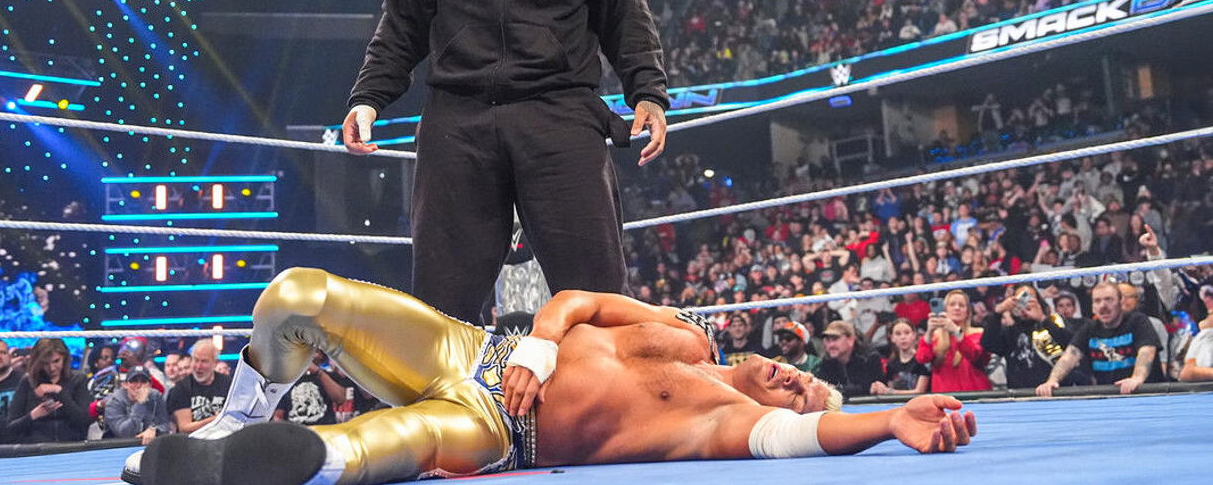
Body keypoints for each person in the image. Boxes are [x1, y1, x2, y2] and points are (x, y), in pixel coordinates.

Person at [129, 268, 977, 485]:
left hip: (500, 431)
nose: (793, 378)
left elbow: (800, 437)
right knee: (297, 297)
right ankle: (237, 422)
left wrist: (887, 420)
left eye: (804, 388)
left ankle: (230, 467)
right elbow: (579, 301)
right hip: (471, 350)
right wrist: (539, 343)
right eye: (800, 373)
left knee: (375, 448)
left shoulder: (718, 422)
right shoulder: (683, 332)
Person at [340, 0, 670, 324]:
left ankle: (601, 382)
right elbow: (400, 25)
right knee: (441, 305)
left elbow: (628, 19)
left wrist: (649, 93)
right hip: (459, 119)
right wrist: (368, 99)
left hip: (560, 114)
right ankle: (452, 383)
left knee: (600, 296)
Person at [1035, 280, 1160, 396]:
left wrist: (1137, 378)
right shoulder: (1090, 328)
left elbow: (1146, 351)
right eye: (1097, 301)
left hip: (1145, 395)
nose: (1103, 306)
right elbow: (1069, 356)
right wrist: (1052, 381)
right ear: (1093, 306)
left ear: (1120, 301)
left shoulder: (1138, 321)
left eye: (1109, 299)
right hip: (1108, 399)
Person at [980, 286, 1074, 389]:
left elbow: (1072, 345)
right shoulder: (1010, 331)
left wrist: (1042, 318)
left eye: (1030, 299)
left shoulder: (1055, 322)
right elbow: (988, 345)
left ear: (1039, 302)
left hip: (1054, 391)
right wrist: (997, 313)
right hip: (1020, 394)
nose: (1025, 304)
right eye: (1020, 300)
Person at [5, 338, 93, 443]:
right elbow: (11, 427)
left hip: (71, 446)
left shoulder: (78, 379)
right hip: (37, 447)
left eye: (56, 361)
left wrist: (59, 392)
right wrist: (33, 415)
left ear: (65, 358)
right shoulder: (28, 381)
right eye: (45, 363)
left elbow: (84, 421)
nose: (52, 368)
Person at [916, 290, 992, 393]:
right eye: (952, 304)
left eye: (961, 305)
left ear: (967, 312)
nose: (957, 308)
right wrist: (929, 332)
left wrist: (956, 331)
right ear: (945, 309)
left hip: (974, 394)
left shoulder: (978, 334)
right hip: (944, 395)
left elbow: (975, 355)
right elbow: (922, 359)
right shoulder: (934, 337)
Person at [165, 340, 231, 435]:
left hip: (224, 438)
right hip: (193, 441)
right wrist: (216, 420)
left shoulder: (227, 383)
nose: (198, 366)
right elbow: (185, 428)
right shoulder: (181, 388)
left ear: (215, 363)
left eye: (204, 361)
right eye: (196, 360)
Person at [273, 351, 349, 426]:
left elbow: (341, 398)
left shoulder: (329, 376)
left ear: (321, 356)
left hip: (324, 430)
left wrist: (318, 372)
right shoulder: (287, 381)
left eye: (315, 351)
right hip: (296, 431)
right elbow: (278, 414)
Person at [815, 321, 884, 398]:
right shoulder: (827, 361)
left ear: (851, 340)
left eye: (835, 339)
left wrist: (834, 389)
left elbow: (866, 388)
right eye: (828, 340)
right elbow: (822, 387)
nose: (831, 345)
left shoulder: (870, 358)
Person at [104, 366, 171, 444]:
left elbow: (165, 424)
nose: (139, 385)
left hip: (149, 444)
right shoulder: (114, 402)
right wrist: (140, 403)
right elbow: (124, 433)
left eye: (143, 381)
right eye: (134, 381)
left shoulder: (156, 396)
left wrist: (154, 430)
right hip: (119, 446)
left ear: (150, 385)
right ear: (125, 385)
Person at [874, 318, 930, 395]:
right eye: (898, 334)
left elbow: (920, 391)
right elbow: (890, 389)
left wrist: (890, 392)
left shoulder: (922, 360)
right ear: (892, 338)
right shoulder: (891, 365)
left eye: (907, 333)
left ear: (914, 335)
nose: (903, 337)